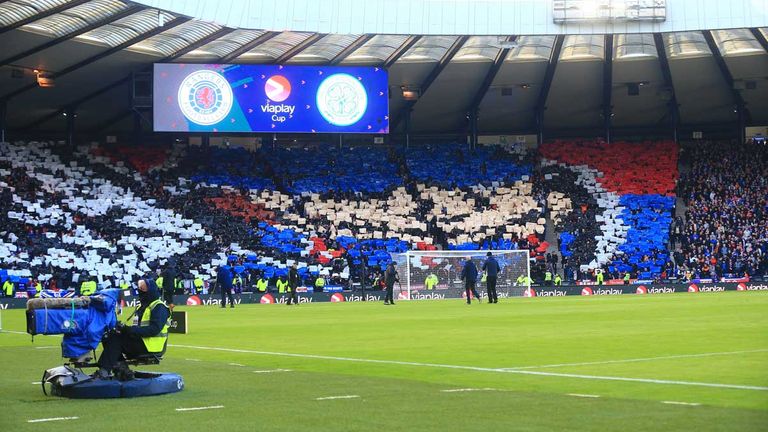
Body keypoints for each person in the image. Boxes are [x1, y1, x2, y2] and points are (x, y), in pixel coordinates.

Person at [94, 278, 170, 380]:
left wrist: (129, 330)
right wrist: (123, 329)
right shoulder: (143, 306)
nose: (140, 290)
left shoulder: (159, 307)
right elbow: (136, 328)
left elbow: (154, 329)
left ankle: (104, 372)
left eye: (143, 288)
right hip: (142, 342)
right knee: (109, 335)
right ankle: (121, 370)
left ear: (151, 289)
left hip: (151, 346)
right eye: (139, 288)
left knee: (117, 339)